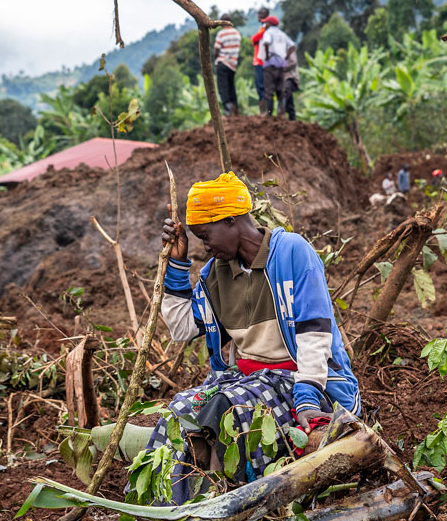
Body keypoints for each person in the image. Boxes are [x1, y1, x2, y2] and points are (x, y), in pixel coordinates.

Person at [150, 172, 361, 503]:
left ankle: (229, 502)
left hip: (302, 378)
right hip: (246, 379)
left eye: (206, 236)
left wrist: (306, 399)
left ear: (232, 221)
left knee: (225, 409)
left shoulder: (292, 253)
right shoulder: (214, 275)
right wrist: (176, 264)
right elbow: (181, 328)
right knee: (178, 412)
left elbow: (314, 333)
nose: (204, 246)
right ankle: (171, 509)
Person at [259, 16, 292, 116]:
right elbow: (292, 46)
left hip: (270, 64)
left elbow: (266, 43)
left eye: (266, 23)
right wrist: (286, 57)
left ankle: (269, 114)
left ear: (270, 23)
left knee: (269, 89)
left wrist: (267, 56)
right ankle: (281, 113)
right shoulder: (282, 34)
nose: (265, 25)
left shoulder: (268, 33)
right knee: (280, 89)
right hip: (281, 64)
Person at [213, 14, 241, 116]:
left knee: (223, 87)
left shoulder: (221, 34)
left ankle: (228, 111)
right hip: (233, 64)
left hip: (223, 63)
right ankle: (235, 109)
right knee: (231, 86)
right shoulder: (237, 33)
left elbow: (216, 50)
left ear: (222, 22)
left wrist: (215, 59)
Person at [250, 8, 269, 105]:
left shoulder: (266, 27)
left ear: (266, 15)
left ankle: (265, 108)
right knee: (259, 85)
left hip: (261, 61)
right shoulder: (262, 27)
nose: (258, 15)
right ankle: (264, 107)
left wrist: (254, 38)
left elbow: (254, 39)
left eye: (261, 13)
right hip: (258, 60)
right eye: (258, 13)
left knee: (261, 85)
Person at [283, 44, 301, 120]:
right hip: (282, 79)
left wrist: (282, 68)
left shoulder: (289, 49)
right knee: (289, 100)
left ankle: (281, 112)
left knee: (286, 93)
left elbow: (293, 62)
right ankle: (292, 119)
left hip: (291, 76)